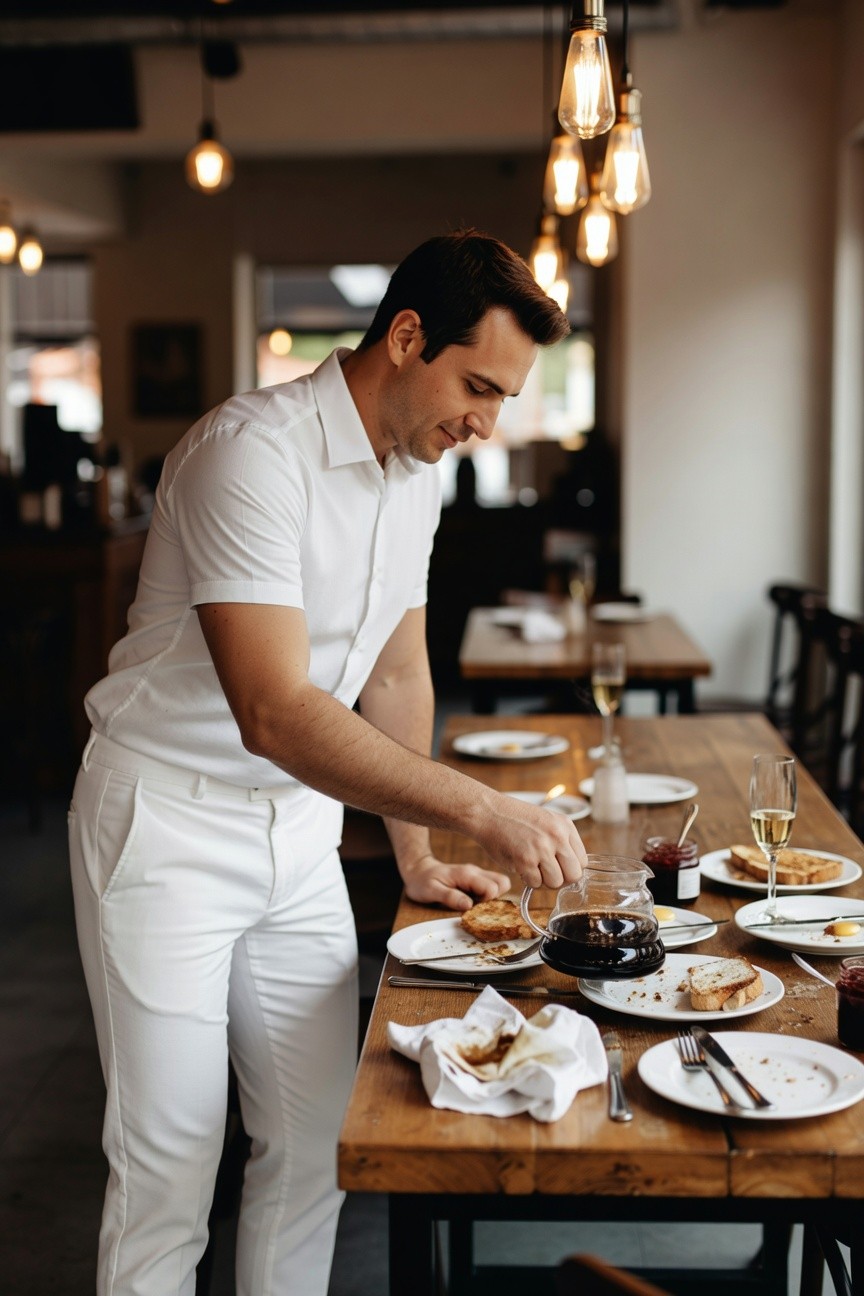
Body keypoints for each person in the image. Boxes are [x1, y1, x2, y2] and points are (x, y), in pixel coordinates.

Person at [68, 228, 585, 1296]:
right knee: (170, 1169)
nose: (486, 424)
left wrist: (414, 850)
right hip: (165, 826)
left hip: (298, 835)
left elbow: (396, 678)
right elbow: (276, 709)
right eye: (477, 385)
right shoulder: (247, 453)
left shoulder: (419, 475)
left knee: (313, 1151)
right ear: (405, 336)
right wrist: (481, 809)